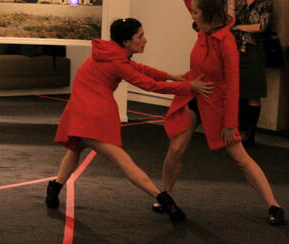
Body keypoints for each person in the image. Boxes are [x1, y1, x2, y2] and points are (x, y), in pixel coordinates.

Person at [45, 17, 214, 222]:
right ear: (126, 42)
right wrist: (188, 87)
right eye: (140, 36)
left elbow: (140, 70)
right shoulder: (117, 61)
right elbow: (149, 85)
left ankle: (54, 188)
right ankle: (163, 199)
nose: (145, 40)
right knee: (121, 159)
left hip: (81, 109)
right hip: (91, 113)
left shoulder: (110, 51)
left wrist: (172, 76)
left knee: (76, 149)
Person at [161, 0, 284, 225]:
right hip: (192, 96)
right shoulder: (204, 29)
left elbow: (233, 85)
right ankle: (164, 195)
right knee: (176, 149)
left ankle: (273, 205)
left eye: (195, 12)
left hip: (216, 103)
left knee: (239, 157)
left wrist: (230, 123)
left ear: (205, 15)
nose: (191, 13)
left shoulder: (225, 41)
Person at [229, 0, 273, 148]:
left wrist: (239, 27)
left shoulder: (265, 3)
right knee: (237, 90)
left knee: (253, 93)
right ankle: (237, 129)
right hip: (236, 49)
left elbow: (261, 26)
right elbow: (229, 19)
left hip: (253, 49)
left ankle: (251, 132)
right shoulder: (239, 1)